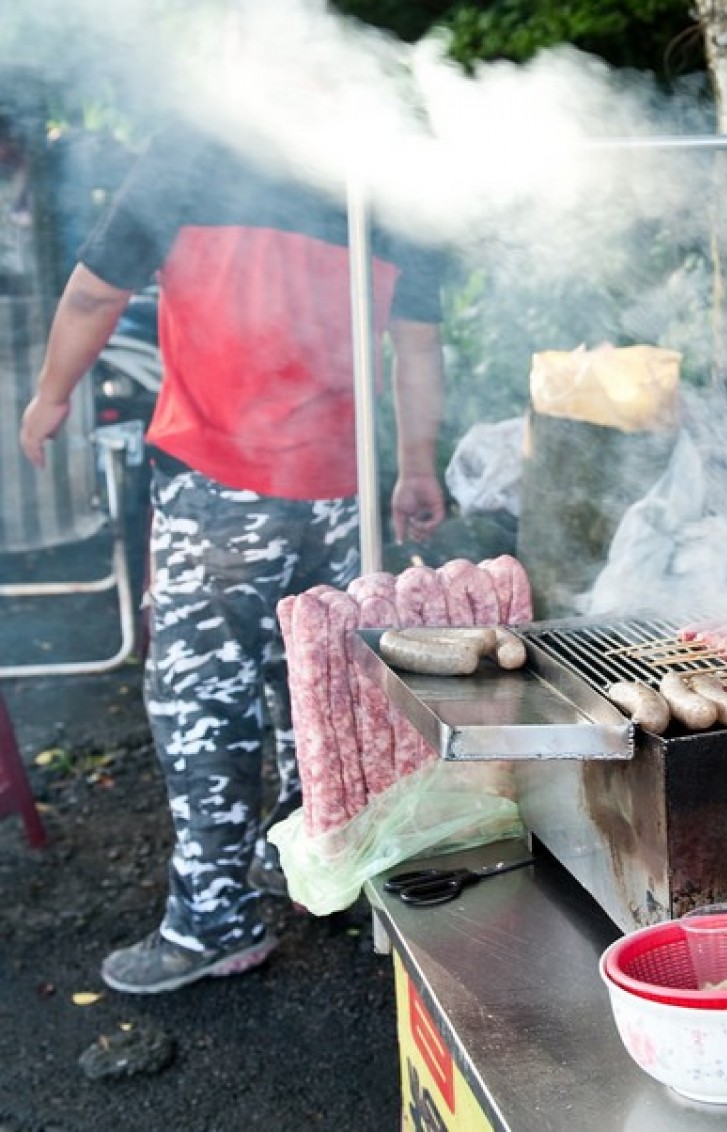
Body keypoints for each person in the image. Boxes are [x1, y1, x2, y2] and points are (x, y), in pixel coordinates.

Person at [18, 127, 447, 994]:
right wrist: (414, 465)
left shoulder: (194, 149)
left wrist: (51, 394)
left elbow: (97, 296)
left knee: (203, 703)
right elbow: (417, 347)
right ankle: (312, 863)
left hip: (219, 487)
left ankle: (214, 921)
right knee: (319, 688)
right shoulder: (385, 170)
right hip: (342, 491)